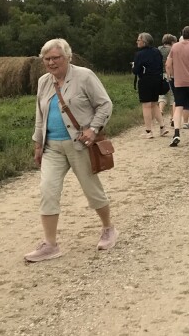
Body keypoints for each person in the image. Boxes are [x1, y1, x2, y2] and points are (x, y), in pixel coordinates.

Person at [27, 38, 117, 262]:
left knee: (91, 189)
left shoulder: (84, 76)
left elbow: (105, 104)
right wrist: (38, 143)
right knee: (47, 190)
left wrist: (94, 129)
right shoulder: (43, 82)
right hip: (52, 147)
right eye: (47, 59)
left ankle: (108, 229)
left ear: (68, 57)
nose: (51, 63)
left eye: (56, 58)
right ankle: (50, 245)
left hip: (80, 144)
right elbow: (40, 114)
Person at [134, 33, 168, 138]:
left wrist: (134, 66)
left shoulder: (139, 54)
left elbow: (136, 70)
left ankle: (148, 131)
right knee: (154, 104)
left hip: (145, 81)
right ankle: (162, 127)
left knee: (146, 105)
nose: (137, 41)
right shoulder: (157, 51)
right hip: (157, 80)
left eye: (138, 40)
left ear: (144, 42)